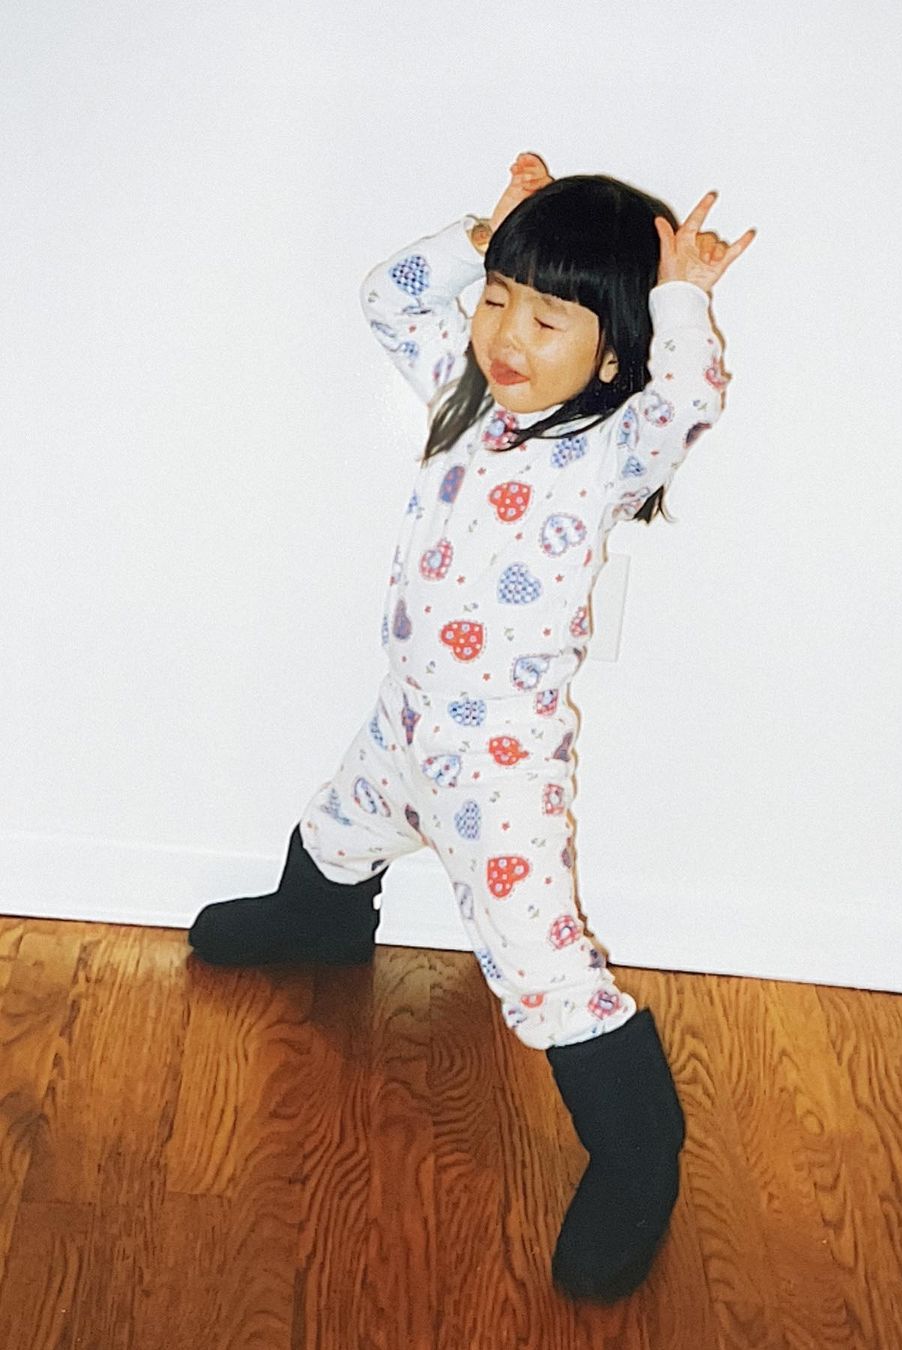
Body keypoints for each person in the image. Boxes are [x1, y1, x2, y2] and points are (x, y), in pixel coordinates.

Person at [188, 152, 755, 1303]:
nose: (505, 334)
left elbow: (690, 397)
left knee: (541, 963)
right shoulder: (468, 400)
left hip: (496, 763)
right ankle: (320, 921)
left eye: (547, 320)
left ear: (613, 352)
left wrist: (682, 297)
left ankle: (638, 1150)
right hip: (405, 723)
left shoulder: (611, 447)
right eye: (499, 299)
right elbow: (388, 296)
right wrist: (481, 237)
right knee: (337, 824)